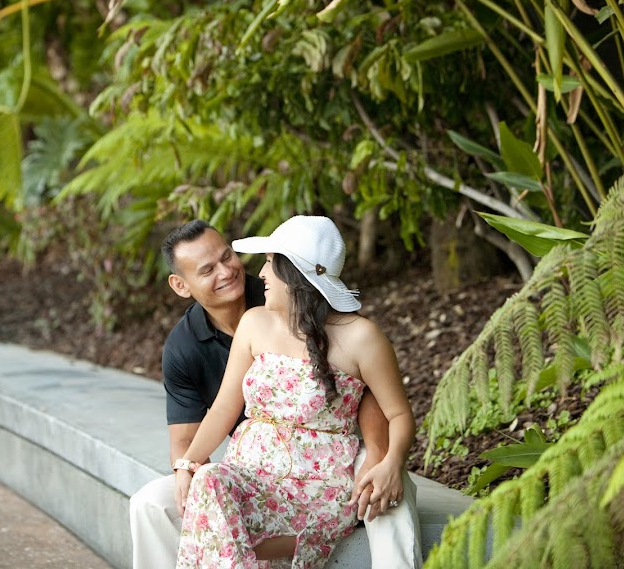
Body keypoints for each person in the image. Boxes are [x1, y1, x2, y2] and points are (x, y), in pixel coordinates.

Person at [128, 219, 422, 568]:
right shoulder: (249, 324)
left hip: (319, 478)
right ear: (182, 284)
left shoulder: (360, 337)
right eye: (208, 269)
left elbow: (395, 412)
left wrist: (388, 459)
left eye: (269, 262)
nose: (259, 273)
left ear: (294, 273)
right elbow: (222, 409)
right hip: (252, 473)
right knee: (206, 479)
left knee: (389, 500)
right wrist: (188, 464)